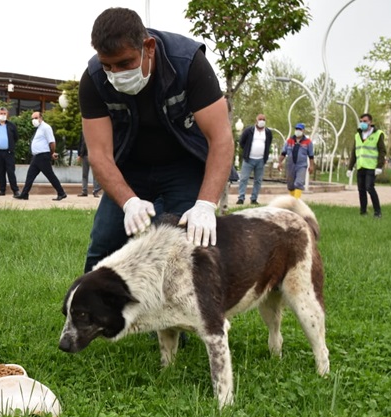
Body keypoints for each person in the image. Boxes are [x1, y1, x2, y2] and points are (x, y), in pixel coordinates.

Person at [79, 7, 234, 273]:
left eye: (125, 63)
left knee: (188, 245)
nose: (115, 74)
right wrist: (129, 201)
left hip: (184, 165)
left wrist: (206, 204)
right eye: (108, 65)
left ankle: (187, 312)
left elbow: (221, 139)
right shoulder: (93, 80)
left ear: (148, 47)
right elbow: (99, 154)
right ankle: (94, 312)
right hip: (129, 167)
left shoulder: (187, 62)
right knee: (103, 245)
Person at [15, 112, 67, 201]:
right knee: (30, 175)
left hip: (43, 156)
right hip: (36, 156)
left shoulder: (46, 127)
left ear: (41, 117)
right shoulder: (39, 128)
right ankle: (24, 194)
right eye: (32, 118)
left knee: (50, 175)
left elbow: (52, 142)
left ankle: (61, 193)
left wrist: (51, 153)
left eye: (36, 118)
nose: (34, 120)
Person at [347, 113, 385, 218]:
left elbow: (382, 151)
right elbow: (354, 152)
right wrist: (350, 168)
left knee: (369, 188)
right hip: (361, 166)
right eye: (361, 121)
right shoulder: (357, 135)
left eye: (365, 121)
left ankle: (377, 212)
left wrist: (379, 166)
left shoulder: (377, 134)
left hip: (372, 167)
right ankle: (363, 211)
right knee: (361, 190)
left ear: (370, 122)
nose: (362, 123)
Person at [236, 114, 272, 205]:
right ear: (256, 120)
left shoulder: (267, 132)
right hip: (249, 159)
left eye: (264, 119)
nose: (262, 121)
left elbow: (268, 143)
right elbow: (242, 142)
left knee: (258, 180)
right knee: (244, 179)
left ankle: (254, 198)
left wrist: (265, 157)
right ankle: (241, 198)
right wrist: (247, 151)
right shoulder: (249, 130)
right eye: (260, 119)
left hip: (260, 160)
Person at [277, 123, 314, 199]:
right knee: (290, 185)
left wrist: (311, 165)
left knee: (298, 183)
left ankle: (296, 202)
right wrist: (280, 163)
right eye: (296, 129)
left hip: (301, 166)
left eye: (300, 129)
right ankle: (292, 199)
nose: (298, 131)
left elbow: (311, 156)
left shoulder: (308, 142)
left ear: (303, 130)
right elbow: (283, 153)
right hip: (290, 165)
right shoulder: (289, 141)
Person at [0, 107, 20, 196]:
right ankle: (2, 190)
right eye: (1, 113)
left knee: (11, 171)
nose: (2, 115)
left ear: (7, 115)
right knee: (1, 172)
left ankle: (15, 190)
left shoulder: (11, 126)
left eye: (4, 114)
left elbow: (16, 137)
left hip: (9, 153)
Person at [77, 133, 101, 197]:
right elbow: (81, 143)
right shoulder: (83, 132)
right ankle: (86, 191)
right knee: (86, 174)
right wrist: (79, 154)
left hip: (92, 155)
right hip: (86, 155)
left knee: (94, 175)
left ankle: (94, 191)